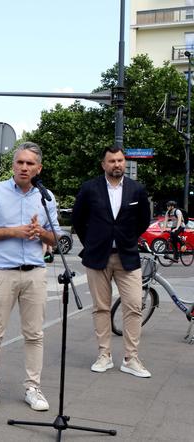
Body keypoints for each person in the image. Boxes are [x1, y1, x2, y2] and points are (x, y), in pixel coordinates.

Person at [0, 142, 60, 412]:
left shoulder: (46, 197)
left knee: (34, 334)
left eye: (30, 163)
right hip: (3, 273)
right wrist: (13, 231)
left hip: (34, 273)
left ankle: (33, 388)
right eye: (20, 162)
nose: (24, 167)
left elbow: (57, 238)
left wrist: (40, 233)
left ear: (38, 168)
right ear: (13, 165)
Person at [72, 146, 151, 378]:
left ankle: (131, 358)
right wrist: (92, 243)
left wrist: (127, 238)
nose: (117, 164)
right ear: (103, 164)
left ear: (124, 163)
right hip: (98, 256)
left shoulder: (136, 189)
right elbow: (78, 219)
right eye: (112, 161)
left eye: (120, 160)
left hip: (127, 255)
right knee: (101, 307)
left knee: (134, 305)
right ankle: (104, 355)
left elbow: (143, 221)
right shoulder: (89, 188)